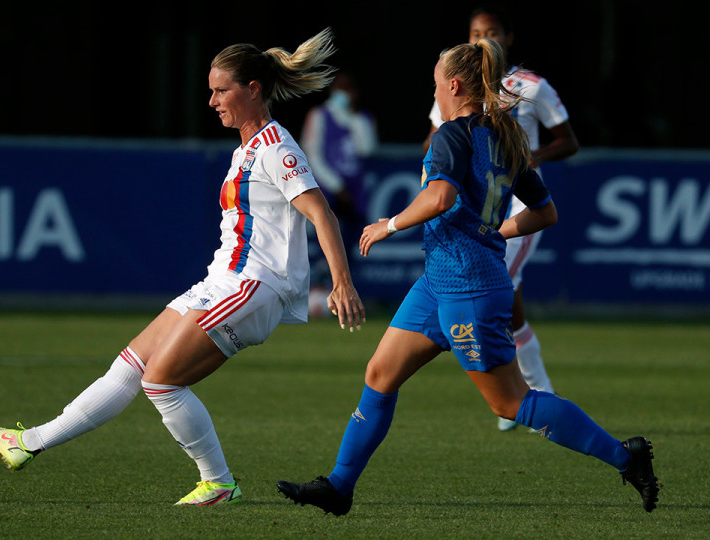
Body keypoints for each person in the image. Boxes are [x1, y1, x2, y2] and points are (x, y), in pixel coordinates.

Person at [0, 28, 365, 506]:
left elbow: (321, 211)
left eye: (221, 90)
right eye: (210, 89)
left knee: (160, 381)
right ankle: (28, 443)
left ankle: (219, 483)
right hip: (220, 281)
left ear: (252, 90)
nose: (212, 101)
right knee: (129, 368)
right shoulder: (246, 149)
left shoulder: (275, 147)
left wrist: (342, 282)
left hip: (254, 285)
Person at [276, 39, 658, 516]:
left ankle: (628, 458)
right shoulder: (504, 136)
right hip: (440, 282)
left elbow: (438, 198)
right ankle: (339, 487)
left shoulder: (452, 134)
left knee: (511, 403)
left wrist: (387, 225)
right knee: (380, 374)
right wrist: (495, 229)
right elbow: (545, 213)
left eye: (436, 82)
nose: (433, 90)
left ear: (453, 85)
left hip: (469, 288)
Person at [422, 6, 580, 431]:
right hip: (476, 206)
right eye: (475, 32)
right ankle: (535, 395)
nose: (481, 39)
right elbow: (438, 138)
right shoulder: (458, 86)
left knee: (491, 292)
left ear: (509, 37)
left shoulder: (531, 87)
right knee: (511, 307)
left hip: (516, 204)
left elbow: (569, 141)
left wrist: (532, 157)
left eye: (490, 32)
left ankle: (522, 401)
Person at [301, 71, 378, 316]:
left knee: (350, 243)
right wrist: (336, 186)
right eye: (341, 88)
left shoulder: (362, 118)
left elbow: (367, 148)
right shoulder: (319, 116)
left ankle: (342, 298)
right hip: (329, 192)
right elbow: (312, 154)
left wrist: (353, 117)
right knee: (326, 243)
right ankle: (318, 295)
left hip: (355, 193)